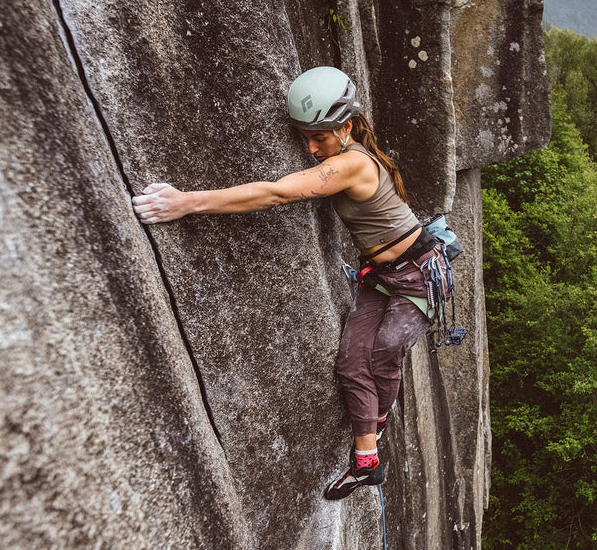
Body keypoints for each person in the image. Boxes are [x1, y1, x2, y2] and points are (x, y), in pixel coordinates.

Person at [132, 66, 449, 500]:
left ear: (347, 127)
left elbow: (276, 193)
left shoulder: (353, 164)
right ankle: (365, 463)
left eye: (320, 137)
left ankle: (377, 419)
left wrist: (187, 202)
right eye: (305, 137)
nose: (312, 147)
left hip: (420, 274)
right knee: (350, 363)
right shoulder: (343, 157)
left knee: (382, 353)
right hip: (380, 276)